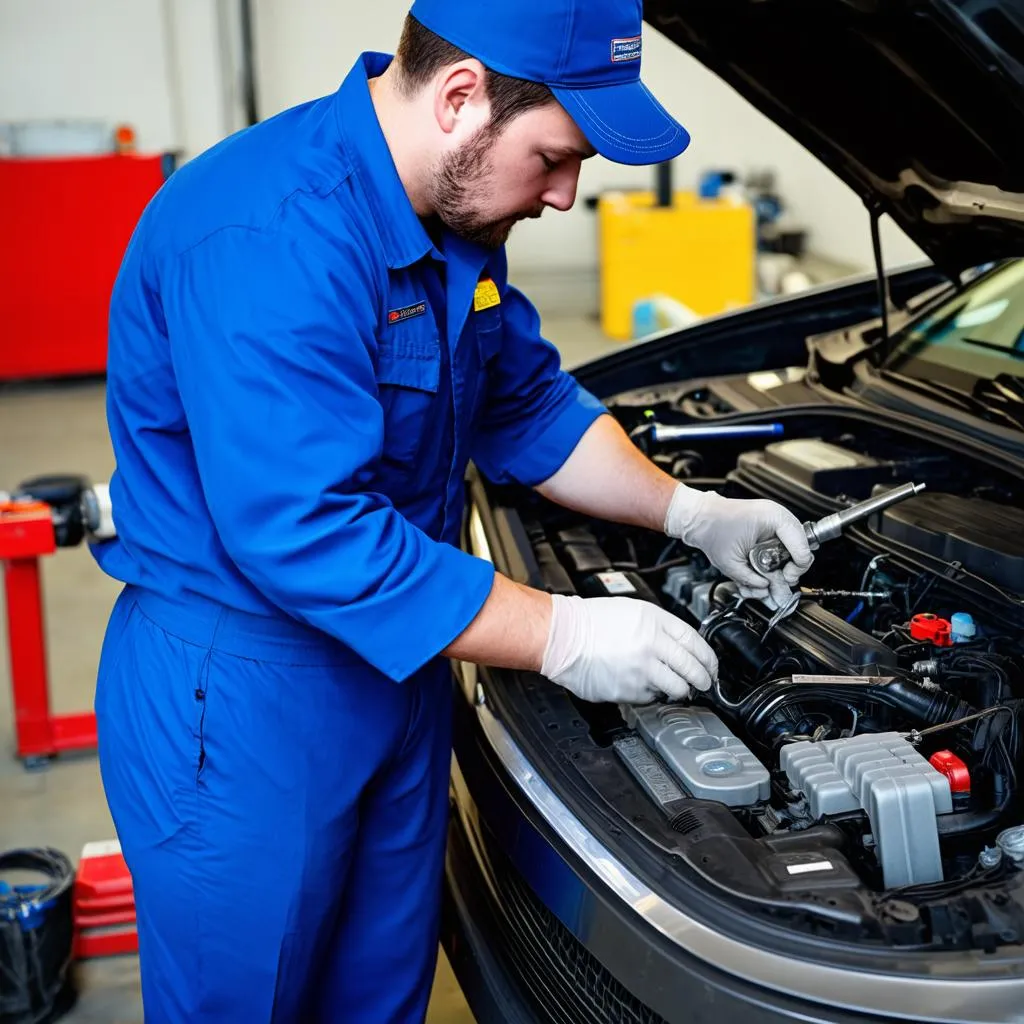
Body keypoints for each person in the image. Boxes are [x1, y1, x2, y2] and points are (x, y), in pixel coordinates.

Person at [92, 0, 813, 1020]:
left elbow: (529, 405)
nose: (566, 196)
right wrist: (560, 630)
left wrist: (691, 515)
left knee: (380, 991)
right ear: (462, 97)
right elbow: (304, 530)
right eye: (555, 157)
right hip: (246, 693)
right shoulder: (268, 232)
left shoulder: (453, 221)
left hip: (404, 661)